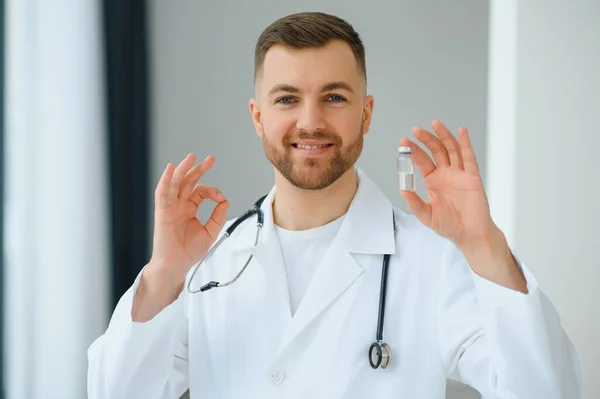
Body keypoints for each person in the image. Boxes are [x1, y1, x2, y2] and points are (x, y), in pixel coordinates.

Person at [87, 11, 581, 399]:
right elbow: (118, 393)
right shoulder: (207, 265)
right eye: (286, 99)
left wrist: (484, 244)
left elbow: (545, 392)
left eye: (335, 97)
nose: (311, 121)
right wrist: (163, 274)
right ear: (258, 118)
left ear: (366, 113)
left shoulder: (433, 262)